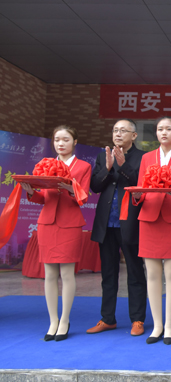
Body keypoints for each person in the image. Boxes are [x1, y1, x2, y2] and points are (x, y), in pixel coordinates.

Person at [22, 125, 92, 341]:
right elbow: (43, 198)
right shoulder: (45, 165)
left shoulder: (83, 166)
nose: (61, 144)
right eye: (57, 140)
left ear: (75, 142)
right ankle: (53, 320)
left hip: (69, 223)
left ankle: (64, 320)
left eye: (65, 139)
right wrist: (30, 191)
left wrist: (69, 187)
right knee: (50, 274)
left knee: (67, 274)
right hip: (47, 223)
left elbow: (83, 198)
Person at [132, 117, 171, 345]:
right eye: (160, 129)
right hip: (149, 218)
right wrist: (136, 196)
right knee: (152, 274)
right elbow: (140, 189)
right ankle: (157, 325)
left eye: (169, 129)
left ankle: (169, 325)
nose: (164, 132)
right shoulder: (147, 157)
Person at [86, 119, 147, 336]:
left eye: (123, 130)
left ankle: (137, 319)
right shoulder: (103, 156)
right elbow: (95, 186)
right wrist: (108, 167)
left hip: (130, 222)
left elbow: (141, 185)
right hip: (106, 223)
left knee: (135, 272)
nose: (118, 134)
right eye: (115, 130)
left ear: (134, 135)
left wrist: (122, 166)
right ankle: (107, 318)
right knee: (108, 273)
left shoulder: (143, 157)